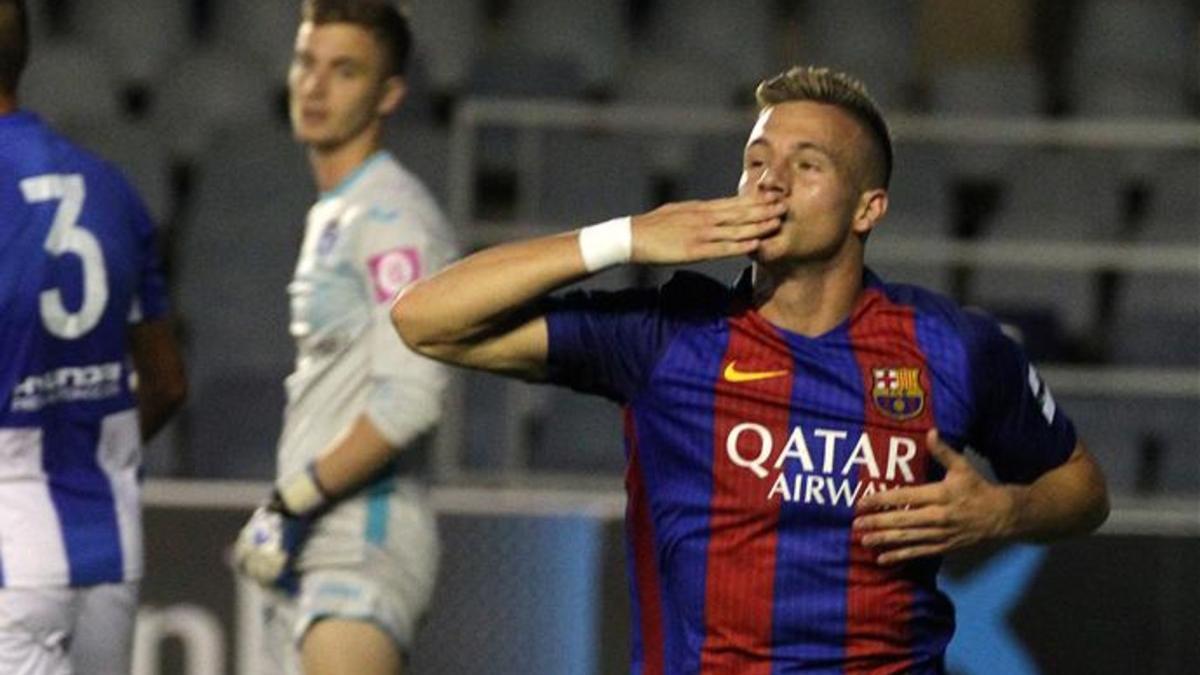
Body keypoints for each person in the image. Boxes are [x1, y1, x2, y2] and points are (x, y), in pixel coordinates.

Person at [391, 65, 1110, 672]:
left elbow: (1083, 489)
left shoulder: (953, 346)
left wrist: (1003, 511)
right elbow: (424, 318)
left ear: (869, 208)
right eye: (757, 161)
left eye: (806, 165)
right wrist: (627, 237)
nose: (770, 181)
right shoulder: (670, 336)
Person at [231, 1, 457, 674]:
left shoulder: (392, 219)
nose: (316, 85)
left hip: (365, 534)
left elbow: (411, 397)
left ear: (389, 93)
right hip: (314, 541)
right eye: (307, 62)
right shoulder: (340, 209)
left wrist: (289, 501)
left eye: (345, 70)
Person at [0, 1, 188, 673]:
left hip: (11, 562)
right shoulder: (111, 188)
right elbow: (166, 382)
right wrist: (88, 451)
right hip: (110, 547)